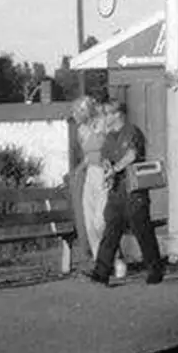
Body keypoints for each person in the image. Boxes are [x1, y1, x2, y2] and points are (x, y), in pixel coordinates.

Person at [88, 101, 165, 286]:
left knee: (142, 230)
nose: (105, 118)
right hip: (116, 192)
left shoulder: (132, 132)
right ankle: (101, 272)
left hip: (134, 191)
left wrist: (114, 169)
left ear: (118, 114)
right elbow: (105, 157)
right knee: (111, 231)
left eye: (108, 114)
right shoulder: (109, 137)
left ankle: (155, 269)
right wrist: (107, 167)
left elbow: (131, 155)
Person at [72, 96, 110, 262]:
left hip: (104, 171)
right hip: (91, 172)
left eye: (79, 110)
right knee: (89, 220)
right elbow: (88, 155)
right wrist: (79, 169)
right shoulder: (81, 129)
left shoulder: (102, 123)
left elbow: (105, 147)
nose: (75, 114)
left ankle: (113, 257)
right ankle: (99, 260)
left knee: (100, 221)